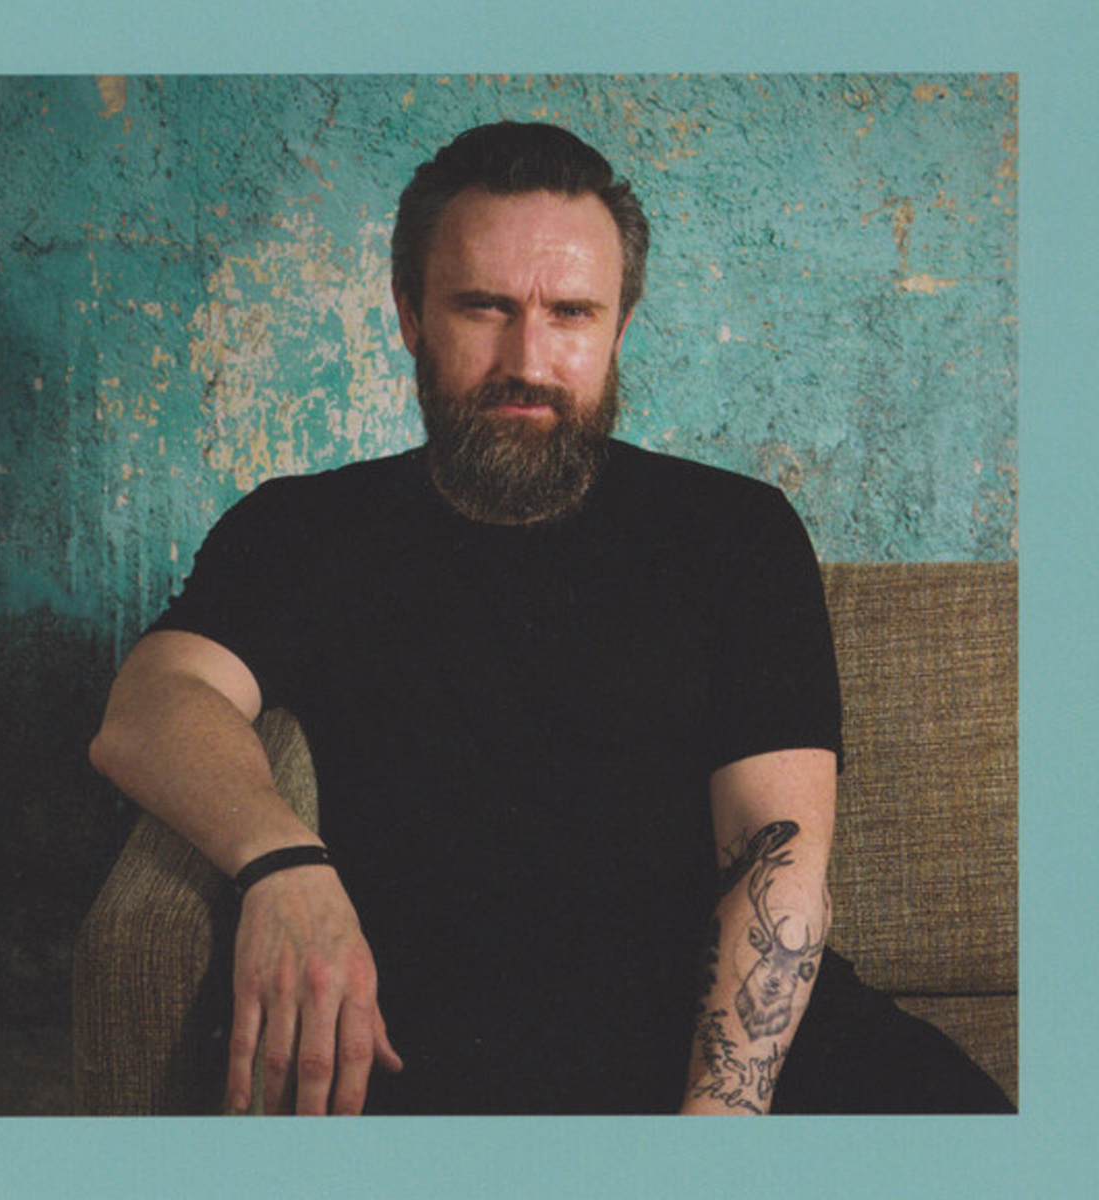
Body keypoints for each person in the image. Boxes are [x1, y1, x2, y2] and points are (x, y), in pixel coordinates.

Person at [89, 121, 1012, 1116]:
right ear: (410, 315)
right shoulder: (305, 529)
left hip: (729, 1033)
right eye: (483, 307)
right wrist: (282, 865)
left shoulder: (734, 530)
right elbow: (150, 707)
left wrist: (716, 1131)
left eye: (571, 312)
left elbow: (773, 853)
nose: (527, 358)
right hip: (446, 1046)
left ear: (620, 328)